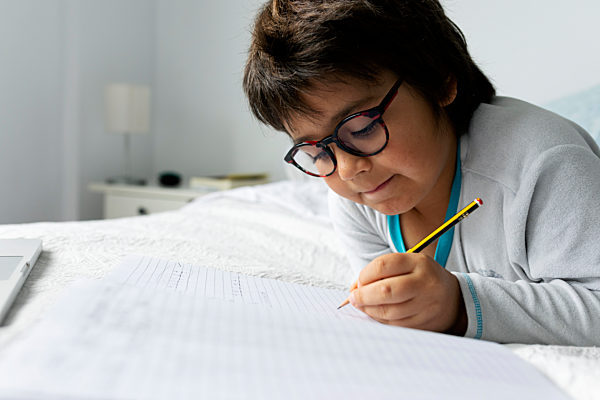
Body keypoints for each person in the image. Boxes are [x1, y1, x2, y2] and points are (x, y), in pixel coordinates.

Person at [242, 0, 600, 345]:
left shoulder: (545, 162)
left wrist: (460, 306)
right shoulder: (357, 199)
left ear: (439, 81)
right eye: (316, 151)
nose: (349, 169)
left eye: (363, 127)